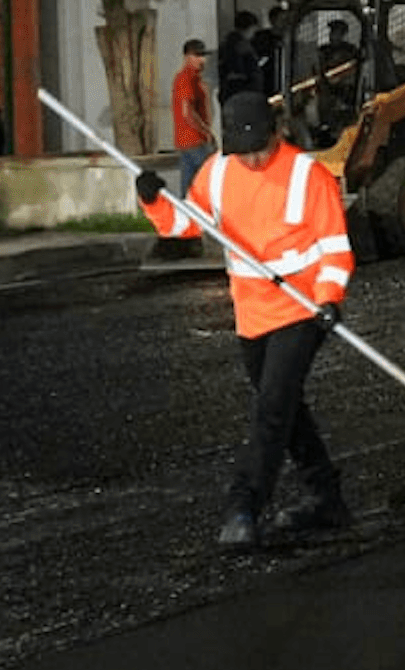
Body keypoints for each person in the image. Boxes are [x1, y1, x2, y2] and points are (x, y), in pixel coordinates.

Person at [134, 89, 356, 547]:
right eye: (244, 152)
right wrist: (153, 200)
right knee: (284, 406)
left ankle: (244, 507)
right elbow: (183, 225)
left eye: (260, 150)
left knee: (271, 408)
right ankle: (325, 497)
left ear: (277, 134)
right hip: (252, 314)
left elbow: (335, 249)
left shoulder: (308, 176)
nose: (253, 161)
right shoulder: (216, 174)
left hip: (303, 308)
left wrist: (329, 298)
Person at [169, 36, 218, 202]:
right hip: (195, 139)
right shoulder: (186, 79)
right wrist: (206, 132)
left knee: (189, 184)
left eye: (203, 55)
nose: (202, 60)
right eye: (197, 55)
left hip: (187, 140)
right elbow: (187, 112)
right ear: (186, 57)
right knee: (210, 178)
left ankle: (187, 211)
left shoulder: (194, 79)